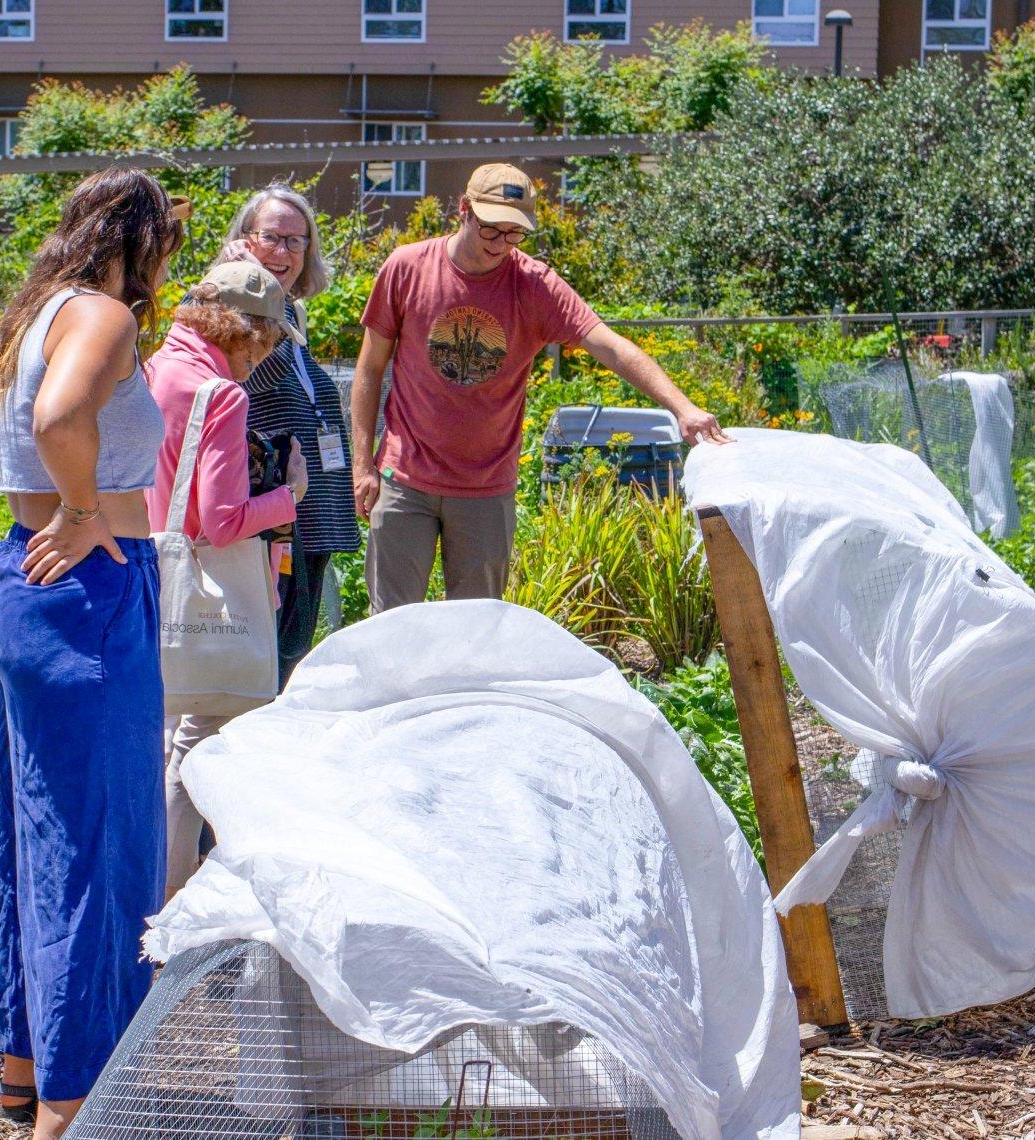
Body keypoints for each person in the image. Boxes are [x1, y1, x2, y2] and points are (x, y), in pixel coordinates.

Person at [0, 167, 183, 1139]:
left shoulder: (34, 316)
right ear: (147, 239)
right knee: (97, 847)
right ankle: (75, 1109)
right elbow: (56, 419)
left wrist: (36, 502)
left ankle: (24, 1068)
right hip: (87, 593)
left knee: (27, 835)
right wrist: (80, 509)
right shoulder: (105, 318)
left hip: (15, 584)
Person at [350, 163, 732, 614]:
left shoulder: (535, 285)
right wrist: (363, 464)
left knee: (476, 626)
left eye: (516, 234)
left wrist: (682, 408)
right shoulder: (408, 267)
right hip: (403, 477)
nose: (502, 245)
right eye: (493, 230)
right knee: (391, 624)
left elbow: (609, 346)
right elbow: (370, 369)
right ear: (464, 210)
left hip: (485, 487)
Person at [146, 260, 309, 899]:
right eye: (267, 343)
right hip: (211, 594)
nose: (264, 359)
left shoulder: (156, 368)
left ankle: (146, 902)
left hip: (155, 585)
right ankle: (169, 918)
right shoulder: (222, 394)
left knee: (163, 750)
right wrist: (290, 494)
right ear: (246, 331)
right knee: (195, 759)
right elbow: (221, 521)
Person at [214, 184, 360, 683]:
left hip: (309, 507)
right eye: (272, 238)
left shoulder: (292, 312)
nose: (284, 253)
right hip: (268, 511)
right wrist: (241, 285)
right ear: (243, 240)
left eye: (297, 242)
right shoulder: (226, 310)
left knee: (293, 649)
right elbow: (242, 383)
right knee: (267, 655)